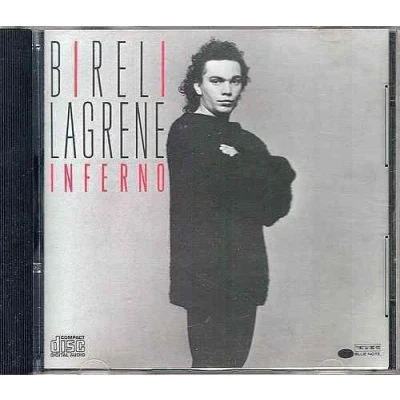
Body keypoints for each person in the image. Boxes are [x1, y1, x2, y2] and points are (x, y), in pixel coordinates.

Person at [167, 39, 296, 368]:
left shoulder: (245, 140)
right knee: (211, 372)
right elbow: (223, 187)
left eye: (235, 81)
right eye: (216, 80)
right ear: (197, 86)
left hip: (245, 276)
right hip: (206, 278)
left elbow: (273, 207)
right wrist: (261, 168)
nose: (227, 90)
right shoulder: (186, 131)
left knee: (234, 373)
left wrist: (255, 165)